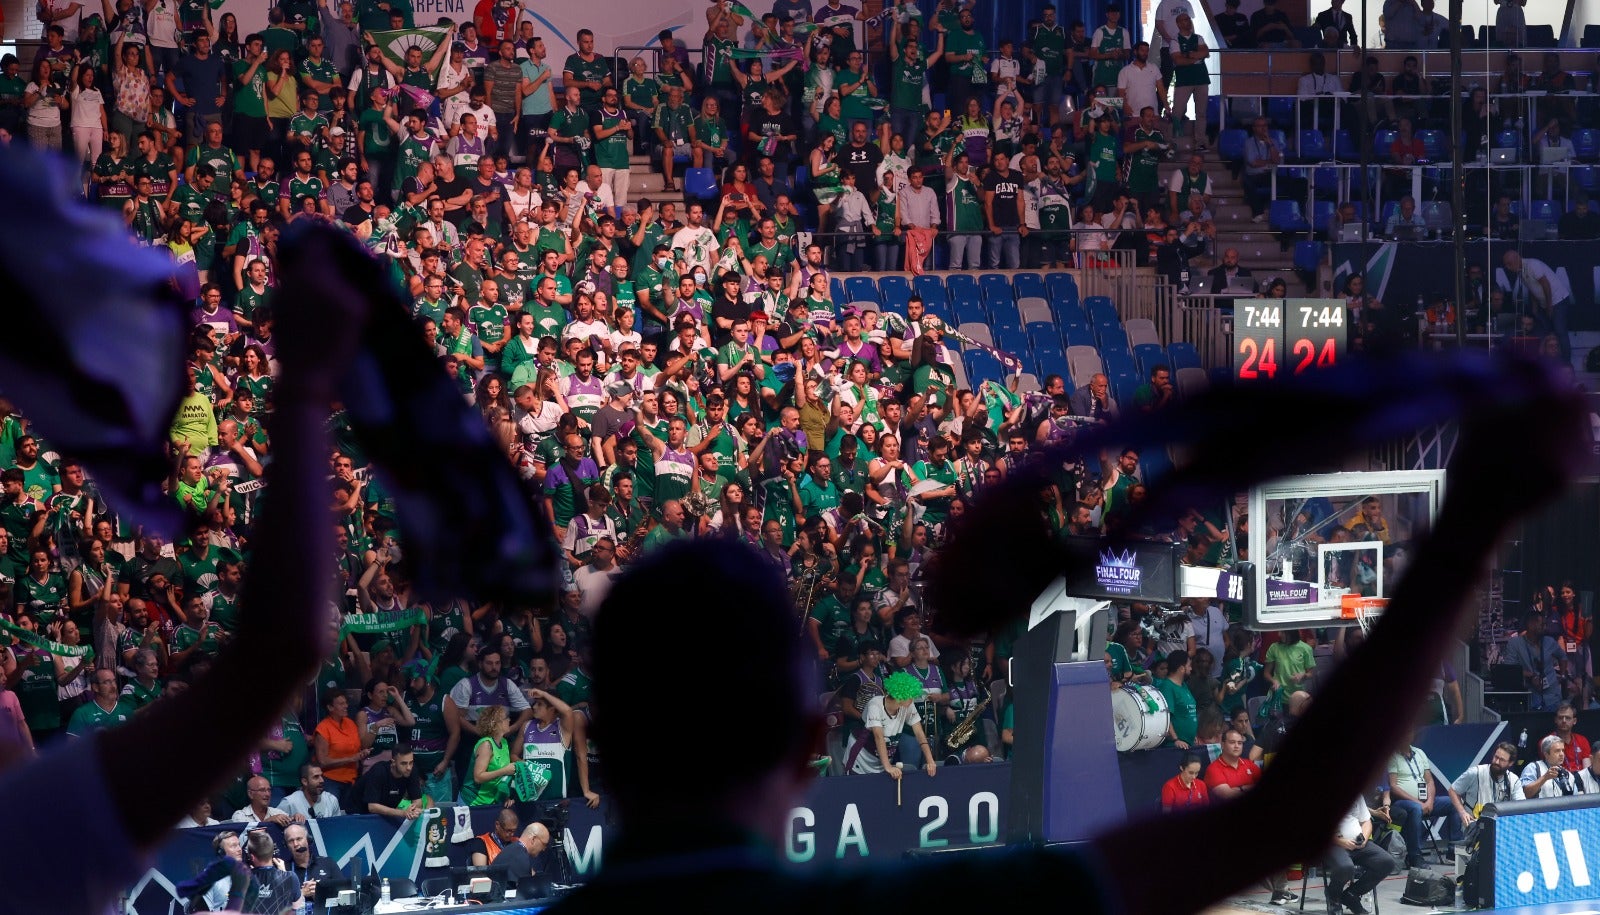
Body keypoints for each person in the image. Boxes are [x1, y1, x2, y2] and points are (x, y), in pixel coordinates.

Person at [1323, 795, 1395, 915]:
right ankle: (1334, 898)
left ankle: (1352, 895)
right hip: (1333, 845)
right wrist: (1340, 841)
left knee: (1387, 862)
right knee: (1345, 867)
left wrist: (1365, 839)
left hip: (1358, 843)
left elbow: (1366, 821)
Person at [1447, 741, 1518, 820]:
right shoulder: (1475, 773)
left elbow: (1521, 806)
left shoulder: (1514, 780)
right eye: (1496, 757)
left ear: (1510, 763)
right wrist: (1462, 813)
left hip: (1502, 826)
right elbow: (1452, 790)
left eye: (1502, 760)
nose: (1497, 762)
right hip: (1474, 825)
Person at [361, 742, 425, 817]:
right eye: (403, 763)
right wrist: (403, 813)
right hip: (358, 813)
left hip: (386, 814)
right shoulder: (379, 771)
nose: (409, 767)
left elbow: (417, 801)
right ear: (393, 762)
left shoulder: (411, 770)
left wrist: (413, 810)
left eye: (411, 762)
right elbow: (372, 807)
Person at [1522, 734, 1586, 800]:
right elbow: (1524, 794)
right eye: (1557, 751)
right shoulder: (1533, 768)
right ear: (1546, 754)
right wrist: (1544, 778)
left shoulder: (1568, 775)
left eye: (1563, 750)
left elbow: (1576, 800)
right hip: (1541, 809)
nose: (1561, 754)